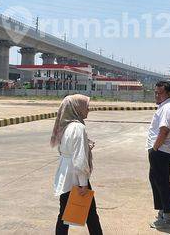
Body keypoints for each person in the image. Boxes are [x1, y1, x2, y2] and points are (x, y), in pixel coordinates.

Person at [51, 94, 103, 234]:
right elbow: (79, 158)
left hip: (66, 175)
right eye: (86, 106)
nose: (88, 109)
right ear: (77, 108)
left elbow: (65, 150)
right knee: (91, 215)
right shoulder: (78, 127)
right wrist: (83, 183)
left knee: (64, 215)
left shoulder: (66, 125)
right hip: (76, 178)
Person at [146, 81, 170, 229]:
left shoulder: (167, 108)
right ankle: (162, 212)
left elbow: (164, 130)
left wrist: (155, 148)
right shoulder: (165, 106)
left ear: (167, 93)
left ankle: (167, 218)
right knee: (156, 180)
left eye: (159, 93)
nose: (156, 95)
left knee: (162, 183)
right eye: (155, 92)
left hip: (161, 151)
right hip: (162, 151)